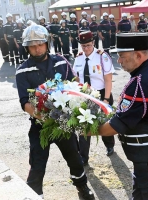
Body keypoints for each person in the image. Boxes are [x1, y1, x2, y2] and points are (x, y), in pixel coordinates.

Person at [15, 24, 95, 200]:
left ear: (47, 43)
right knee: (37, 163)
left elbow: (74, 85)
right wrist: (45, 117)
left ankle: (82, 188)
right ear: (26, 47)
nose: (37, 49)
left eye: (40, 44)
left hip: (63, 124)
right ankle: (36, 195)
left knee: (74, 158)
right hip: (40, 125)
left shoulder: (60, 61)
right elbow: (25, 103)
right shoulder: (22, 70)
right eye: (32, 46)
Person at [96, 32, 148, 199]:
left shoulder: (141, 82)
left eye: (121, 56)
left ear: (138, 55)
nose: (118, 61)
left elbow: (117, 125)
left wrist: (88, 130)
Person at [73, 31, 115, 165]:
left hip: (102, 94)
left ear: (93, 43)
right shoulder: (78, 58)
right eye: (83, 46)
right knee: (84, 125)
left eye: (89, 45)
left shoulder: (102, 57)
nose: (86, 49)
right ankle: (83, 156)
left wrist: (106, 100)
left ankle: (109, 145)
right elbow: (77, 78)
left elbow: (108, 80)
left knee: (104, 124)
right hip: (85, 95)